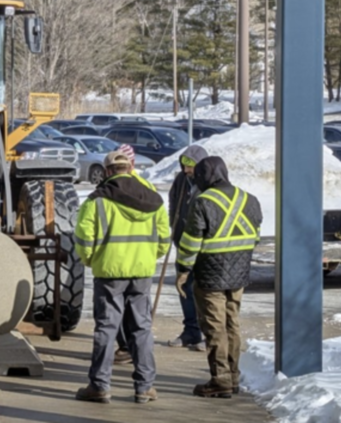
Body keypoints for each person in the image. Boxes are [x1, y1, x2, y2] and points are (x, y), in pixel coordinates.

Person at [75, 151, 171, 405]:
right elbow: (164, 237)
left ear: (107, 171)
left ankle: (100, 386)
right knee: (141, 328)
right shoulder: (153, 198)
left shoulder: (96, 201)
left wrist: (91, 260)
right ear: (130, 168)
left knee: (107, 328)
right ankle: (145, 387)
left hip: (108, 274)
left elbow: (84, 238)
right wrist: (150, 257)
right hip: (141, 272)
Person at [176, 156, 262, 399]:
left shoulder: (202, 201)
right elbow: (254, 238)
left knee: (214, 327)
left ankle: (220, 379)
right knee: (231, 323)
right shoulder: (250, 199)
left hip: (209, 274)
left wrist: (183, 270)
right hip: (239, 274)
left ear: (204, 177)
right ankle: (233, 377)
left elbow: (191, 242)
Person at [114, 143, 155, 365]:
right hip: (141, 265)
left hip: (114, 264)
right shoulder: (148, 189)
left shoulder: (108, 189)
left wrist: (92, 258)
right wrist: (153, 255)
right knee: (140, 319)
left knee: (113, 316)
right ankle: (143, 367)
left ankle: (124, 348)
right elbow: (161, 230)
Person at [168, 146, 210, 351]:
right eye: (184, 166)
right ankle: (191, 331)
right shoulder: (181, 181)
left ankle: (206, 332)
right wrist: (175, 233)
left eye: (191, 166)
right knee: (185, 287)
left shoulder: (209, 182)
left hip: (204, 247)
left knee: (204, 290)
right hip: (184, 244)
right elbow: (173, 205)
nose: (186, 171)